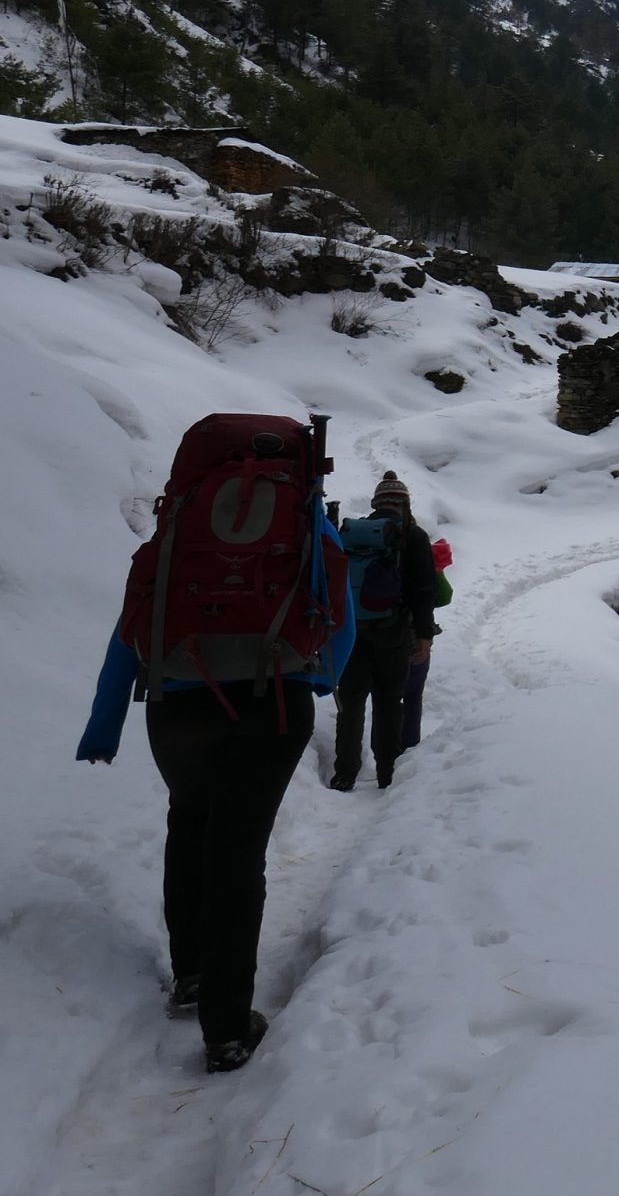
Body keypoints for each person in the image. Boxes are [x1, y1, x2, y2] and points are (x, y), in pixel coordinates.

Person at [76, 422, 356, 1076]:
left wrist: (105, 722)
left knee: (189, 820)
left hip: (178, 700)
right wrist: (318, 680)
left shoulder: (179, 523)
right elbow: (337, 617)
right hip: (274, 701)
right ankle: (227, 1028)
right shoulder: (308, 521)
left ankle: (193, 974)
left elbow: (133, 624)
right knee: (238, 850)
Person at [330, 472, 440, 792]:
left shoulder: (354, 532)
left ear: (376, 503)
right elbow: (423, 589)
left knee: (351, 701)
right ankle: (387, 772)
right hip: (393, 632)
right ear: (405, 504)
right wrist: (424, 634)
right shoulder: (413, 535)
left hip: (353, 630)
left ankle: (344, 772)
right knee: (389, 701)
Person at [399, 537, 454, 753]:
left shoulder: (372, 548)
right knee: (412, 695)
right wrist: (436, 568)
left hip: (378, 638)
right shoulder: (420, 552)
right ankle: (409, 749)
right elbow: (444, 597)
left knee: (384, 699)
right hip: (415, 638)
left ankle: (383, 754)